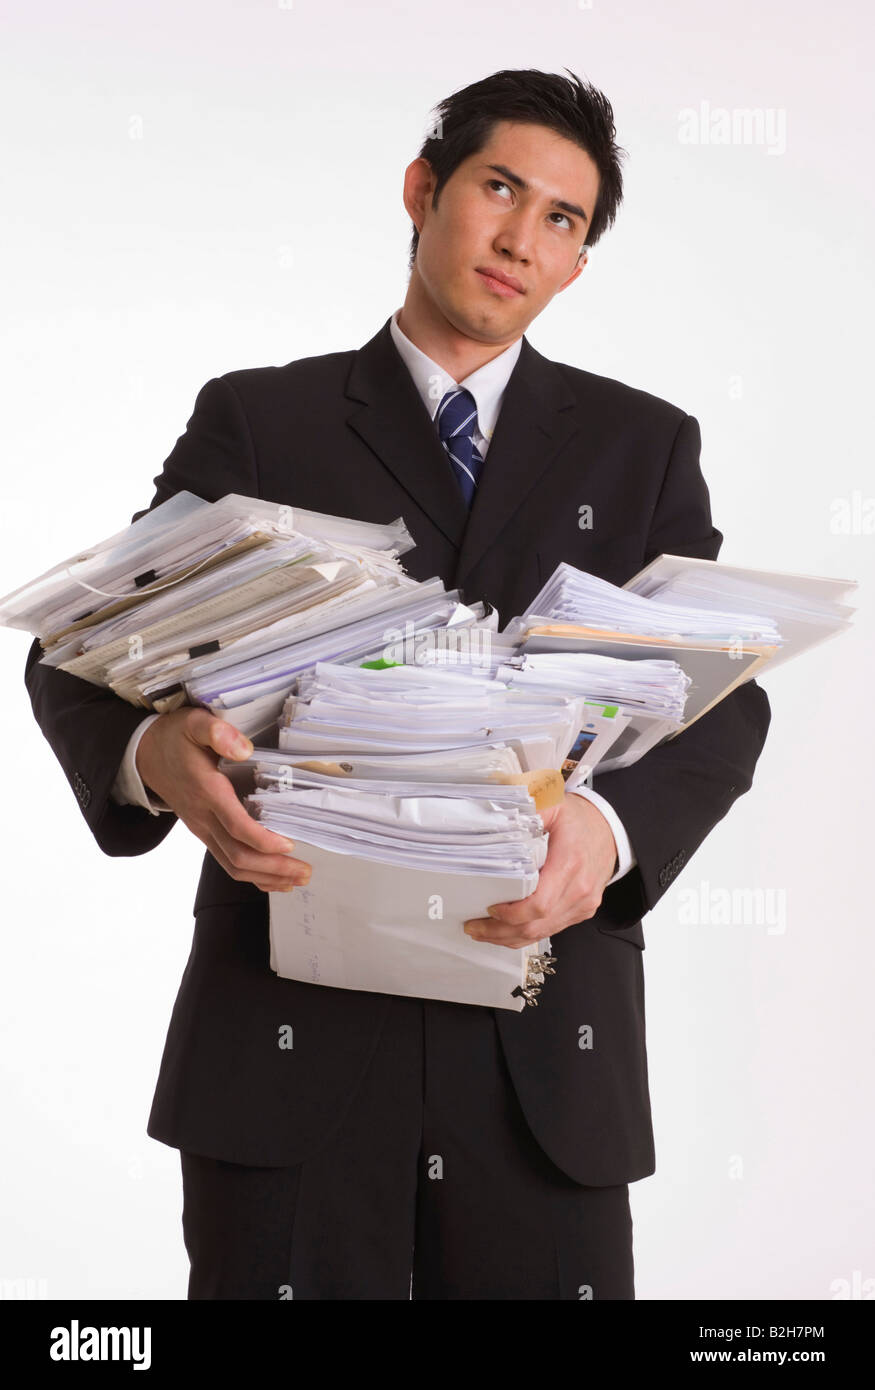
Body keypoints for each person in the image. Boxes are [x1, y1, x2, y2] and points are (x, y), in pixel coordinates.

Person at [24, 68, 771, 1300]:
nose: (520, 238)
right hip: (288, 1048)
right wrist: (154, 760)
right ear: (423, 190)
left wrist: (609, 827)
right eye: (498, 188)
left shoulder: (645, 446)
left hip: (542, 1065)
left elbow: (722, 694)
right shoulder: (260, 420)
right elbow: (82, 648)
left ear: (578, 264)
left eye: (562, 220)